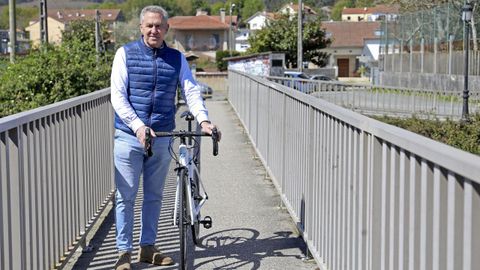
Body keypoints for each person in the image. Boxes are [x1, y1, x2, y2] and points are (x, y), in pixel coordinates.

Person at [110, 5, 221, 270]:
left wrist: (204, 120)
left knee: (154, 195)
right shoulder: (124, 54)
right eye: (149, 25)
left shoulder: (177, 58)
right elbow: (118, 96)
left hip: (161, 135)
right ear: (141, 28)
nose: (154, 30)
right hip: (128, 136)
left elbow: (191, 91)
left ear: (166, 29)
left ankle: (147, 247)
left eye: (159, 26)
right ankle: (123, 252)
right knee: (126, 196)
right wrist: (138, 126)